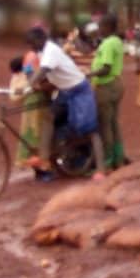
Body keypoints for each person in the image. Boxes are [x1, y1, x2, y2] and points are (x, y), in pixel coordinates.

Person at [24, 26, 105, 182]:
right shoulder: (41, 52)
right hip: (65, 91)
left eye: (32, 43)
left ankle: (101, 169)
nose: (31, 47)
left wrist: (28, 85)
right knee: (48, 117)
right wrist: (32, 81)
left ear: (41, 39)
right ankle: (44, 158)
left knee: (90, 129)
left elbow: (43, 70)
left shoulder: (51, 50)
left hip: (80, 90)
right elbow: (42, 74)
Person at [88, 13, 127, 171]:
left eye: (101, 26)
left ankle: (107, 161)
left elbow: (106, 68)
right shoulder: (117, 41)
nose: (99, 29)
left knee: (105, 125)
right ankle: (119, 159)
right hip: (116, 84)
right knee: (113, 123)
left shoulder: (109, 43)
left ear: (108, 27)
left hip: (106, 85)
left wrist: (88, 74)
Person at [8, 55, 43, 171]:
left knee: (32, 134)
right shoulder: (23, 75)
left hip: (34, 105)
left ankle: (36, 163)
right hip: (32, 105)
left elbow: (14, 96)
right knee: (33, 134)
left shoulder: (21, 76)